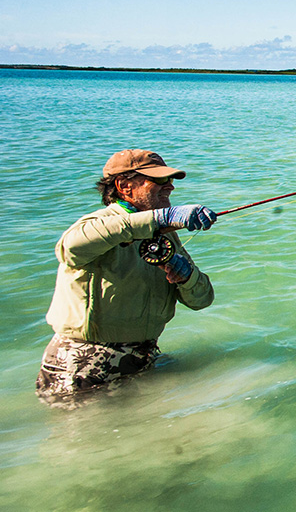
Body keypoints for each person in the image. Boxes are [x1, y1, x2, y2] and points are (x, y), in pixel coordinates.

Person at [37, 149, 218, 404]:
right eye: (159, 181)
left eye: (170, 181)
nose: (170, 188)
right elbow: (70, 247)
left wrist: (187, 277)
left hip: (143, 358)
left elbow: (203, 300)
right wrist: (160, 218)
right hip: (84, 365)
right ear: (124, 186)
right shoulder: (99, 224)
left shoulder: (166, 236)